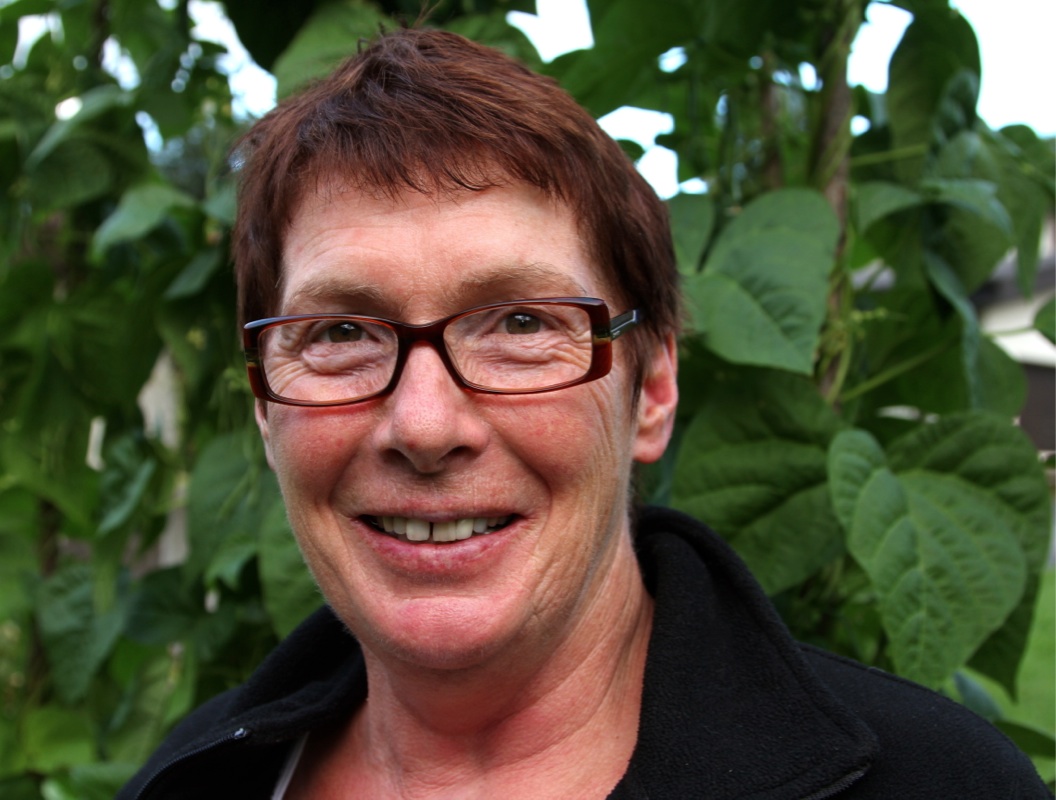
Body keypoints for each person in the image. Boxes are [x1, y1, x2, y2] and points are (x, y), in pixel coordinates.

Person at [119, 27, 1051, 800]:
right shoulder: (189, 782)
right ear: (263, 405)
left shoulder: (945, 786)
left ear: (652, 390)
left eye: (521, 324)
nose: (425, 426)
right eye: (340, 333)